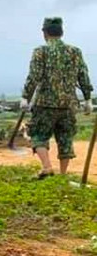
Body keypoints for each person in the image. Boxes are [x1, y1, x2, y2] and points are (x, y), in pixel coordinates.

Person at [21, 17, 93, 178]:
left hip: (45, 103)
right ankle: (62, 175)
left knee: (38, 135)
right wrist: (88, 98)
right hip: (68, 105)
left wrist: (26, 96)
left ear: (45, 33)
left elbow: (34, 75)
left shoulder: (41, 51)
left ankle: (47, 167)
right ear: (61, 32)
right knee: (65, 139)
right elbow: (83, 75)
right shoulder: (75, 52)